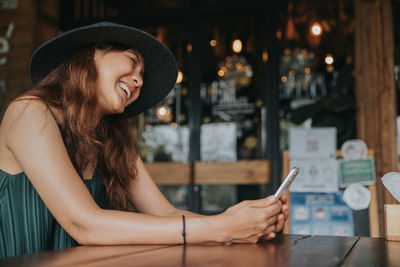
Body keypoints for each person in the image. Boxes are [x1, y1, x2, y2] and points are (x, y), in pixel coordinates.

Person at [0, 22, 289, 258]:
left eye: (141, 75)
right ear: (93, 52)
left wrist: (243, 224)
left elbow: (167, 213)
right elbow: (84, 224)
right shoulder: (29, 112)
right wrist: (222, 228)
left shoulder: (111, 138)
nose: (138, 80)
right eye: (132, 62)